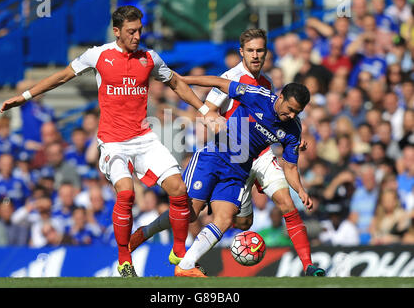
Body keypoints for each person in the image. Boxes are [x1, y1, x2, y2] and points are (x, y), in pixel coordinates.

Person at [0, 5, 218, 277]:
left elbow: (175, 83)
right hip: (113, 142)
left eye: (139, 30)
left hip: (144, 139)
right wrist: (26, 96)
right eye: (131, 31)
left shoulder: (149, 58)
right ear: (116, 31)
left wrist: (204, 108)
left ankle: (179, 253)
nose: (137, 36)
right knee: (126, 194)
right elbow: (63, 76)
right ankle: (125, 260)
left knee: (178, 189)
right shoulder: (98, 55)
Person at [130, 29, 323, 277]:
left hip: (257, 155)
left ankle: (308, 265)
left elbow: (281, 136)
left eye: (260, 50)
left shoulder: (268, 86)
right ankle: (148, 234)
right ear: (242, 52)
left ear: (266, 53)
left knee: (254, 215)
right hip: (225, 150)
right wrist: (189, 92)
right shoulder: (235, 79)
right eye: (251, 50)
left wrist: (295, 162)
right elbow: (208, 109)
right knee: (190, 214)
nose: (256, 55)